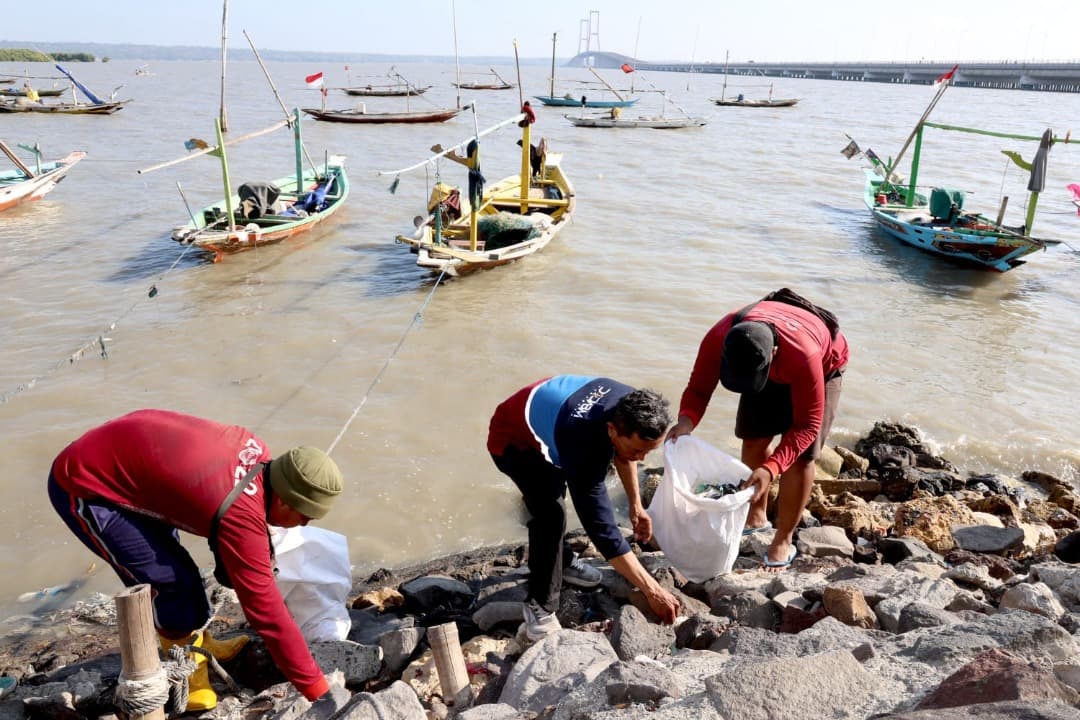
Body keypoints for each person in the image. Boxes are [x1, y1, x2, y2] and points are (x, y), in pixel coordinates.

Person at [48, 409, 344, 711]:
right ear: (282, 498)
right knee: (170, 581)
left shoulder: (257, 454)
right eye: (305, 516)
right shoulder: (239, 515)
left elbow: (219, 508)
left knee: (177, 562)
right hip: (86, 485)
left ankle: (198, 642)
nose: (306, 525)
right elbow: (268, 615)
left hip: (127, 459)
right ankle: (187, 675)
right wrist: (318, 691)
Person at [488, 376, 681, 640]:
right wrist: (653, 590)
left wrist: (636, 506)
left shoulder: (632, 407)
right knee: (550, 515)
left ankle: (563, 563)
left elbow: (625, 455)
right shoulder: (581, 442)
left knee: (559, 496)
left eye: (649, 451)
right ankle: (539, 611)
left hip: (553, 422)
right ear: (612, 430)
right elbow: (601, 530)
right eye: (639, 450)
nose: (642, 458)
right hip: (513, 440)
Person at [667, 296, 849, 571]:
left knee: (801, 458)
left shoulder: (805, 355)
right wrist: (686, 422)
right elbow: (698, 388)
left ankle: (783, 538)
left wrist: (772, 467)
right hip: (767, 362)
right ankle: (755, 515)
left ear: (773, 353)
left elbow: (806, 426)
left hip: (822, 369)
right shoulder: (720, 335)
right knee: (753, 437)